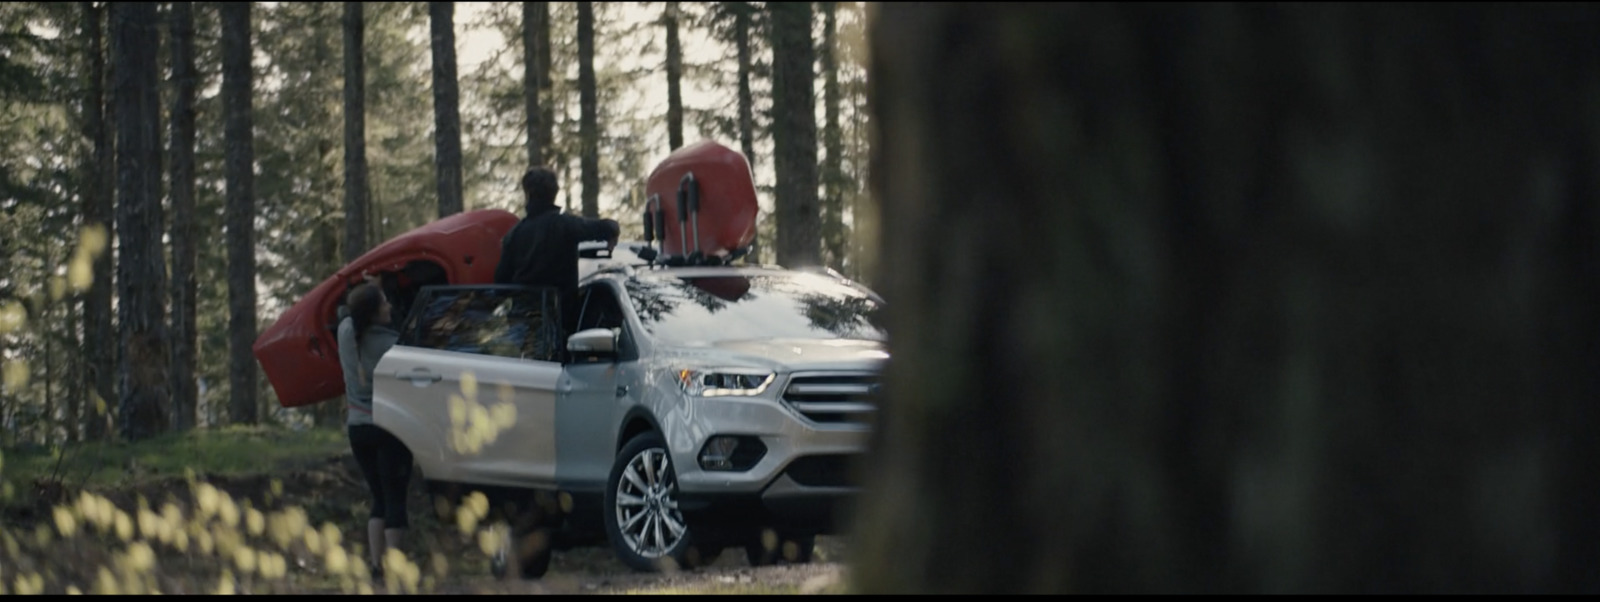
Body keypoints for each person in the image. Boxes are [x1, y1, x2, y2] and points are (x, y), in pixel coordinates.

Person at [337, 279, 410, 580]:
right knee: (395, 500)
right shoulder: (391, 345)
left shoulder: (344, 332)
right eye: (384, 303)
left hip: (358, 429)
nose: (390, 306)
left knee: (378, 497)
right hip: (387, 428)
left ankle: (377, 566)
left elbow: (344, 311)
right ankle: (396, 570)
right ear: (373, 312)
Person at [495, 166, 620, 337]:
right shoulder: (564, 225)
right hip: (558, 327)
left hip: (522, 327)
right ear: (554, 193)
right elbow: (607, 227)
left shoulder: (514, 235)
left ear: (528, 194)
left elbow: (500, 285)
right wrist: (613, 232)